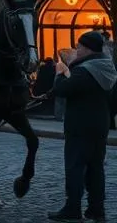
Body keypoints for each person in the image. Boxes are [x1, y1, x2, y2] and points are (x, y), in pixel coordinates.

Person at [49, 31, 117, 223]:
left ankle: (73, 209)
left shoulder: (84, 70)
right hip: (100, 126)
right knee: (96, 169)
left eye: (79, 47)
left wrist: (61, 71)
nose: (76, 50)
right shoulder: (108, 68)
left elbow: (61, 90)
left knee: (75, 168)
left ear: (87, 49)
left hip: (79, 128)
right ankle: (97, 210)